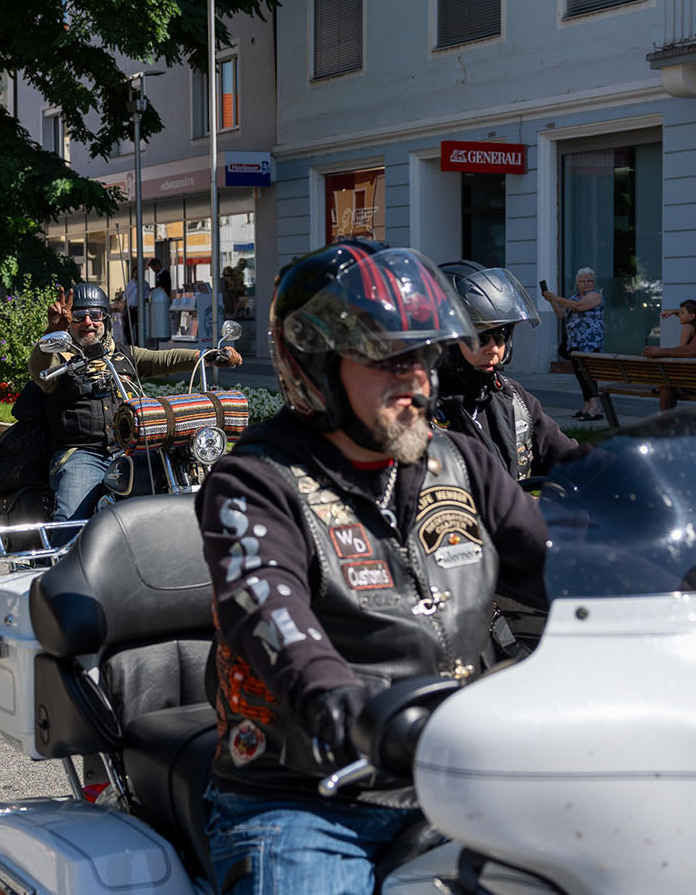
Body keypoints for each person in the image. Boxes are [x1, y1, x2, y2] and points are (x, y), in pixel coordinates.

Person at [197, 241, 549, 893]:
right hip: (311, 797)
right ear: (315, 366)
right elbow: (270, 612)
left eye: (422, 355)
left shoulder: (459, 462)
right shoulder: (254, 482)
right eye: (387, 358)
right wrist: (339, 701)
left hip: (460, 770)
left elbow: (555, 564)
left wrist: (673, 592)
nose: (416, 377)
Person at [28, 281, 241, 522]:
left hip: (130, 449)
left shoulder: (123, 355)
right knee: (71, 520)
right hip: (82, 454)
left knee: (172, 486)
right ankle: (65, 547)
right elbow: (38, 371)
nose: (88, 322)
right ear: (69, 322)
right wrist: (51, 332)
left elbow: (164, 359)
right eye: (79, 316)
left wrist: (207, 355)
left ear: (105, 318)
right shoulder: (59, 360)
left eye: (95, 315)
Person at [434, 262, 578, 478]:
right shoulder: (422, 410)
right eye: (480, 337)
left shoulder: (512, 397)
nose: (494, 348)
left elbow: (566, 455)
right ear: (447, 340)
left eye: (501, 335)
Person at [542, 267, 604, 420]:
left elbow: (578, 307)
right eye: (582, 281)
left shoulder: (595, 296)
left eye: (589, 281)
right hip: (574, 342)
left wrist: (556, 297)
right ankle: (587, 405)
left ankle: (595, 406)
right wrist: (551, 301)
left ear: (594, 282)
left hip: (590, 343)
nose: (586, 284)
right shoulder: (574, 298)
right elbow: (561, 314)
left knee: (588, 374)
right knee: (580, 375)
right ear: (577, 283)